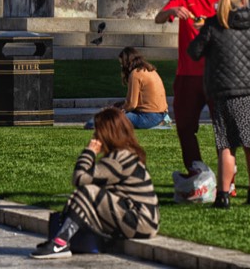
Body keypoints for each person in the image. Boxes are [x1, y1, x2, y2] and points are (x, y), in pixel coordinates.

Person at [187, 0, 250, 208]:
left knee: (227, 145)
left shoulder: (215, 24)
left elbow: (194, 52)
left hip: (225, 91)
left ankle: (223, 195)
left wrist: (200, 31)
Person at [30, 107, 159, 259]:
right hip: (141, 220)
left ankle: (60, 242)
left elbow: (79, 178)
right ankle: (61, 241)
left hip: (139, 221)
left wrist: (89, 151)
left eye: (98, 132)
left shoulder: (120, 159)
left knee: (87, 191)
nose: (95, 136)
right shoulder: (126, 155)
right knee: (89, 194)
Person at [154, 0, 222, 173]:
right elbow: (159, 18)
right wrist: (172, 10)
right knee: (183, 124)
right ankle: (196, 169)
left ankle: (227, 177)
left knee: (222, 127)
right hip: (187, 73)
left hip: (216, 73)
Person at [116, 47, 169, 129]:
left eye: (122, 64)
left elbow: (132, 105)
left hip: (149, 117)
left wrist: (119, 110)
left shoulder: (135, 74)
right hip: (162, 114)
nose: (122, 66)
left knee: (111, 119)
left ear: (127, 62)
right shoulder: (150, 70)